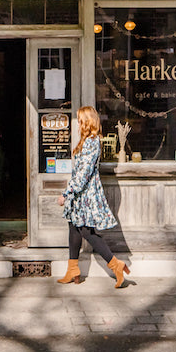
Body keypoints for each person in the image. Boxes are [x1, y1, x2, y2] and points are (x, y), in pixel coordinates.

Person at [57, 105, 131, 288]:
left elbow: (83, 174)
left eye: (80, 120)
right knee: (74, 227)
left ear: (87, 121)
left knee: (86, 232)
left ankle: (116, 265)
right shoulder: (86, 141)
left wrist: (67, 193)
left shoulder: (92, 142)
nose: (78, 123)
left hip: (85, 195)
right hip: (81, 196)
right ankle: (72, 269)